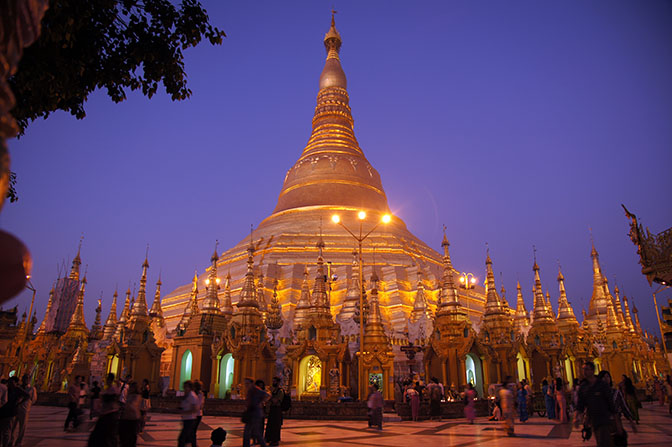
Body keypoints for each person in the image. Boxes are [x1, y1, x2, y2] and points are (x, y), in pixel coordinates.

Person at [575, 361, 616, 447]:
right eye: (583, 370)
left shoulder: (602, 385)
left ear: (593, 371)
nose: (584, 372)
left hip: (604, 418)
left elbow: (611, 404)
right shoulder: (583, 386)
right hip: (593, 419)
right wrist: (577, 417)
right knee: (600, 440)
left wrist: (617, 420)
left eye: (586, 369)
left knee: (603, 441)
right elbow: (580, 404)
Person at [598, 371, 636, 443]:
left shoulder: (616, 392)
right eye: (603, 377)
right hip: (603, 423)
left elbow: (623, 406)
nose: (606, 379)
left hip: (616, 422)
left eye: (608, 377)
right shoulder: (598, 394)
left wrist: (631, 421)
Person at [88, 373, 120, 447]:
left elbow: (113, 401)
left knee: (107, 435)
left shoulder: (113, 389)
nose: (106, 381)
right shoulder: (108, 389)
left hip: (110, 414)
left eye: (107, 379)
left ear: (110, 380)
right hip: (106, 414)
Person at [0, 377, 27, 447]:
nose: (10, 384)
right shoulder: (6, 388)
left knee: (7, 430)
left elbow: (27, 396)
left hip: (11, 412)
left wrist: (19, 402)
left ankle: (7, 443)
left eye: (12, 382)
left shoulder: (17, 390)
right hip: (3, 411)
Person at [12, 374, 37, 447]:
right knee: (12, 426)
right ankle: (11, 440)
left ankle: (19, 441)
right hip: (15, 409)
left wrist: (27, 404)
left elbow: (34, 399)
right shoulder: (18, 388)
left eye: (27, 378)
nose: (26, 380)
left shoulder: (32, 389)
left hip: (24, 409)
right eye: (24, 378)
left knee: (22, 427)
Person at [243, 378, 268, 447]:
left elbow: (267, 395)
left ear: (251, 383)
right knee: (249, 432)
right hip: (251, 413)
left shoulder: (256, 389)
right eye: (245, 383)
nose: (246, 385)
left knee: (254, 432)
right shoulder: (250, 391)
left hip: (256, 414)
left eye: (247, 383)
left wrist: (260, 403)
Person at [119, 381, 141, 447]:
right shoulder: (129, 395)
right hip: (127, 417)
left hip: (133, 418)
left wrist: (125, 406)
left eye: (131, 387)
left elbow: (133, 405)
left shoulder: (137, 396)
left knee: (131, 437)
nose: (129, 388)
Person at [178, 381, 199, 447]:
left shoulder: (192, 396)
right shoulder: (187, 395)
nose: (184, 388)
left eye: (186, 387)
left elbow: (195, 408)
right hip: (186, 419)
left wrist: (185, 412)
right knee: (189, 437)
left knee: (182, 438)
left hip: (190, 419)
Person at [264, 377, 284, 446]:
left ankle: (275, 440)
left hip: (277, 410)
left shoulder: (280, 391)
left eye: (274, 381)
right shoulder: (274, 390)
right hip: (272, 410)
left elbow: (276, 401)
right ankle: (269, 438)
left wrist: (270, 397)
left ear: (278, 382)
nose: (273, 383)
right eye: (273, 381)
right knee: (270, 425)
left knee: (276, 425)